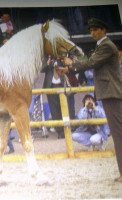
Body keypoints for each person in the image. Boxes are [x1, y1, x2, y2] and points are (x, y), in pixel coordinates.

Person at [62, 18, 122, 182]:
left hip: (112, 93)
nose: (93, 33)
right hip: (109, 93)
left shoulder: (106, 45)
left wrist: (71, 64)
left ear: (104, 30)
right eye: (91, 30)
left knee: (118, 135)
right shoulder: (102, 46)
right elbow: (89, 61)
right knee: (118, 134)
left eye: (96, 29)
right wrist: (69, 67)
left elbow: (90, 63)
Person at [41, 55, 77, 138]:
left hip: (63, 86)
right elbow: (42, 69)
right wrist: (48, 62)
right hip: (51, 87)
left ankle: (68, 130)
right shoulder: (47, 58)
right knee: (54, 111)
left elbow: (72, 68)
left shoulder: (64, 57)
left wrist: (63, 59)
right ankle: (60, 132)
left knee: (66, 109)